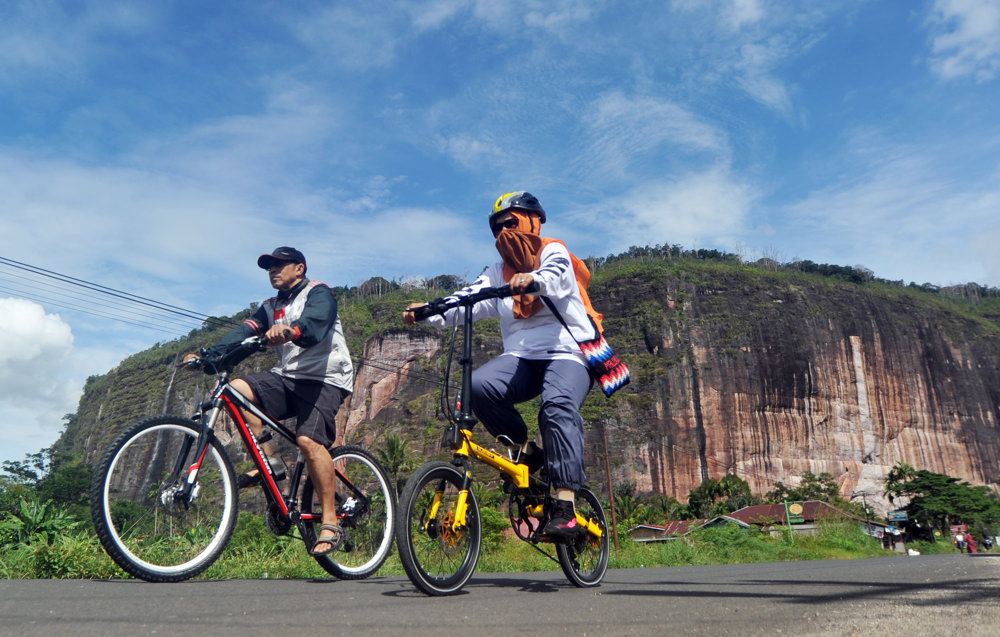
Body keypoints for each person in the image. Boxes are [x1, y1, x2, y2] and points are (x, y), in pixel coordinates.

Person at [403, 192, 604, 540]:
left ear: (533, 221)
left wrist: (533, 280)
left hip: (567, 352)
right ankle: (527, 451)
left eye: (511, 223)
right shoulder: (498, 272)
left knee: (556, 406)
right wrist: (430, 311)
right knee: (477, 386)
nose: (504, 233)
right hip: (522, 358)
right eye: (497, 228)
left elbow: (556, 276)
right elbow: (467, 299)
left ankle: (566, 507)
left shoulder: (552, 250)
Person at [185, 246, 354, 555]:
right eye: (269, 267)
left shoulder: (318, 292)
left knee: (308, 441)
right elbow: (243, 332)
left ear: (299, 268)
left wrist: (292, 330)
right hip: (289, 377)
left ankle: (330, 521)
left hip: (326, 378)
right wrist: (207, 355)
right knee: (235, 390)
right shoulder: (270, 307)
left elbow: (316, 323)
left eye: (279, 265)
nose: (273, 271)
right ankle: (271, 460)